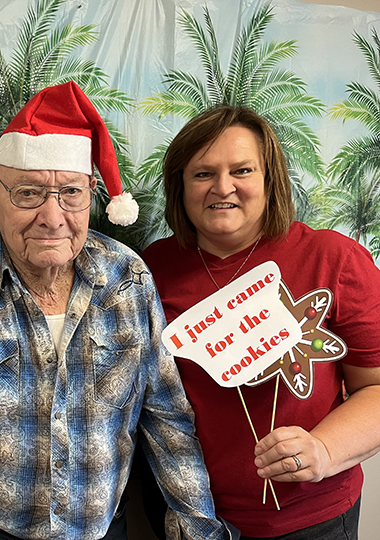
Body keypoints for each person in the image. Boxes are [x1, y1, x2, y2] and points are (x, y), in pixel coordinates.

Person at [0, 81, 232, 540]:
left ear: (92, 195)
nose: (53, 217)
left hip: (103, 530)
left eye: (71, 194)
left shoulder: (127, 277)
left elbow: (166, 418)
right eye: (28, 193)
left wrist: (200, 531)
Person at [140, 104, 380, 539]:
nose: (223, 187)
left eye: (242, 170)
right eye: (202, 173)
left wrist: (323, 449)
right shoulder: (147, 270)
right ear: (180, 186)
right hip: (187, 517)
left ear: (270, 179)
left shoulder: (333, 260)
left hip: (311, 520)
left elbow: (377, 388)